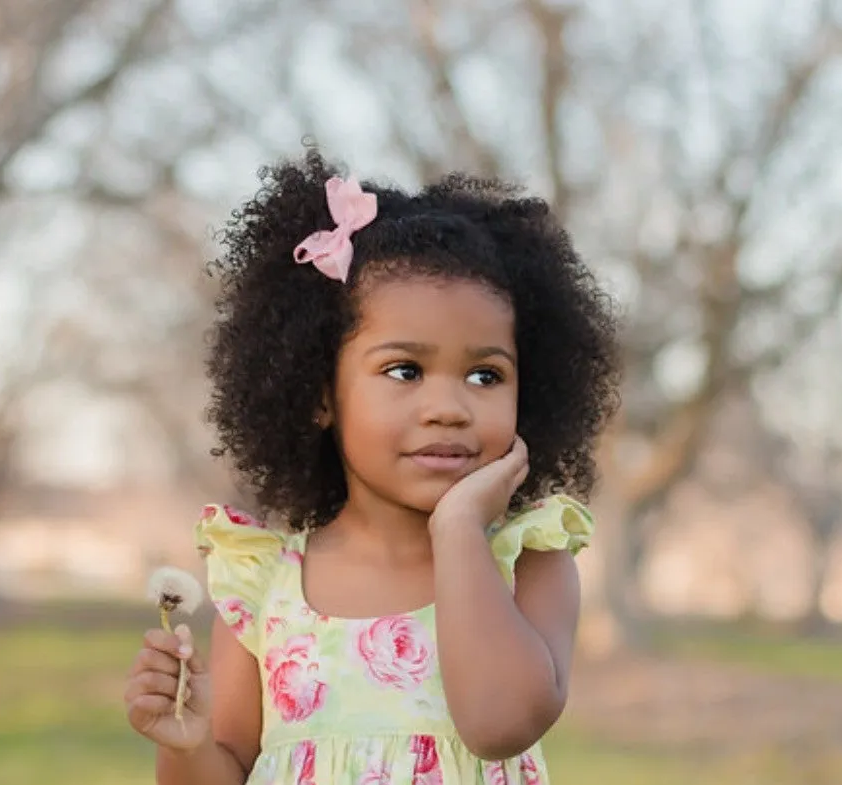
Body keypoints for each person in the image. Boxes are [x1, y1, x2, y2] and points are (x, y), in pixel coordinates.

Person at [124, 147, 620, 784]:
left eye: (484, 374)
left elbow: (499, 724)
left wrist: (461, 529)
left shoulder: (527, 564)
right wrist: (186, 744)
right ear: (322, 394)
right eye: (404, 371)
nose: (449, 407)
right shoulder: (264, 587)